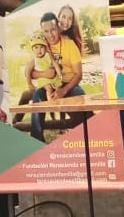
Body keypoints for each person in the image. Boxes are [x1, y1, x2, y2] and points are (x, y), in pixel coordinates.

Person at [29, 12, 85, 141]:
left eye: (53, 30)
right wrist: (45, 74)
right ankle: (36, 140)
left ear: (58, 28)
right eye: (46, 31)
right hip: (49, 85)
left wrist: (63, 90)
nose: (50, 35)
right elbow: (31, 72)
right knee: (37, 95)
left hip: (68, 85)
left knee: (80, 93)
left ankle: (92, 133)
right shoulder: (40, 45)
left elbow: (78, 74)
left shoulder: (69, 45)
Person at [26, 30, 62, 95]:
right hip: (43, 80)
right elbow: (27, 72)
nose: (39, 50)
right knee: (49, 88)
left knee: (58, 88)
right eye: (36, 47)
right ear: (32, 50)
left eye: (42, 47)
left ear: (45, 48)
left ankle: (58, 101)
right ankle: (50, 102)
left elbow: (55, 64)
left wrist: (59, 74)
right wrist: (29, 84)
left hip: (53, 78)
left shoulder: (48, 55)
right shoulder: (34, 61)